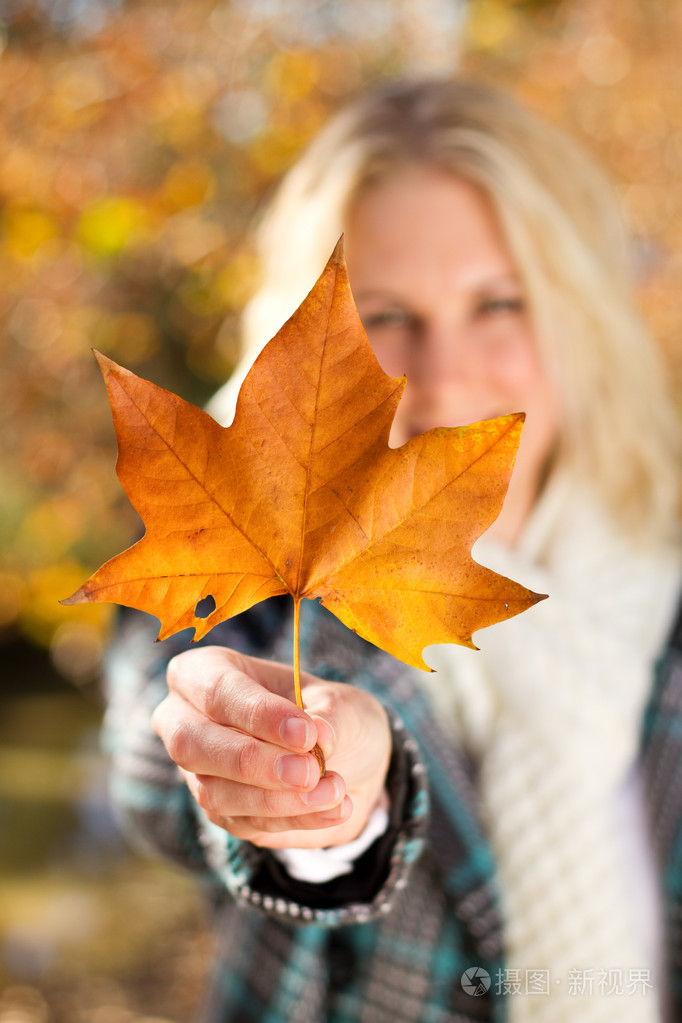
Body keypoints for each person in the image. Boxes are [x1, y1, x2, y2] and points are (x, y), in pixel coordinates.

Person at [103, 78, 682, 1023]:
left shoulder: (662, 569)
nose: (447, 375)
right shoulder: (248, 567)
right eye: (386, 317)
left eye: (499, 302)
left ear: (582, 317)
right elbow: (153, 758)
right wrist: (323, 805)